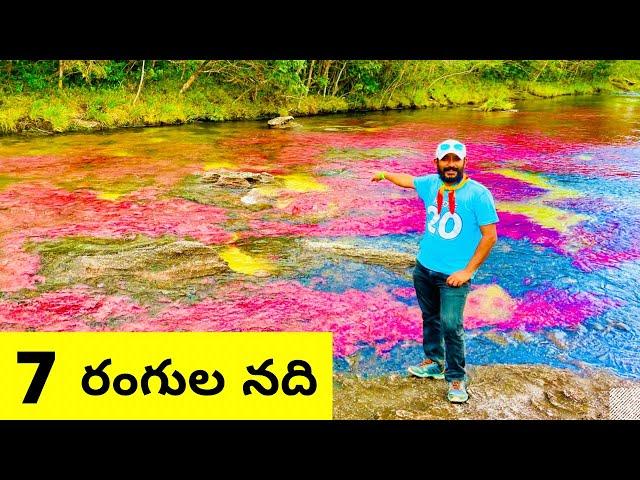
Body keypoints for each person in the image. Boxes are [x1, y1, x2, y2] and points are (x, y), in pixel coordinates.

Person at [371, 139, 498, 403]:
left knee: (452, 326)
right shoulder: (430, 184)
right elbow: (407, 180)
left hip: (454, 277)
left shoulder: (478, 194)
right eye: (445, 159)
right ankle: (435, 361)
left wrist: (467, 271)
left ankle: (456, 379)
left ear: (464, 162)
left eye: (455, 159)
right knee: (430, 317)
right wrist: (384, 174)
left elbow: (490, 237)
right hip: (424, 269)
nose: (450, 165)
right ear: (437, 162)